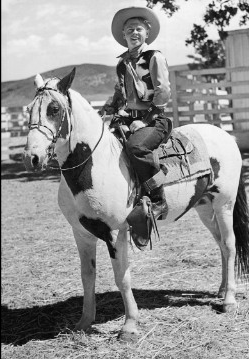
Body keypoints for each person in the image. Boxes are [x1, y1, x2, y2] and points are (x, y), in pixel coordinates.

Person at [101, 6, 172, 245]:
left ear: (147, 33)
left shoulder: (154, 57)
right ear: (123, 35)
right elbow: (120, 95)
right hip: (128, 119)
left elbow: (162, 93)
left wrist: (145, 119)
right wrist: (107, 110)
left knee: (136, 147)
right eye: (129, 29)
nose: (134, 33)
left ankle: (158, 197)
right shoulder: (122, 64)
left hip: (155, 119)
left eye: (138, 29)